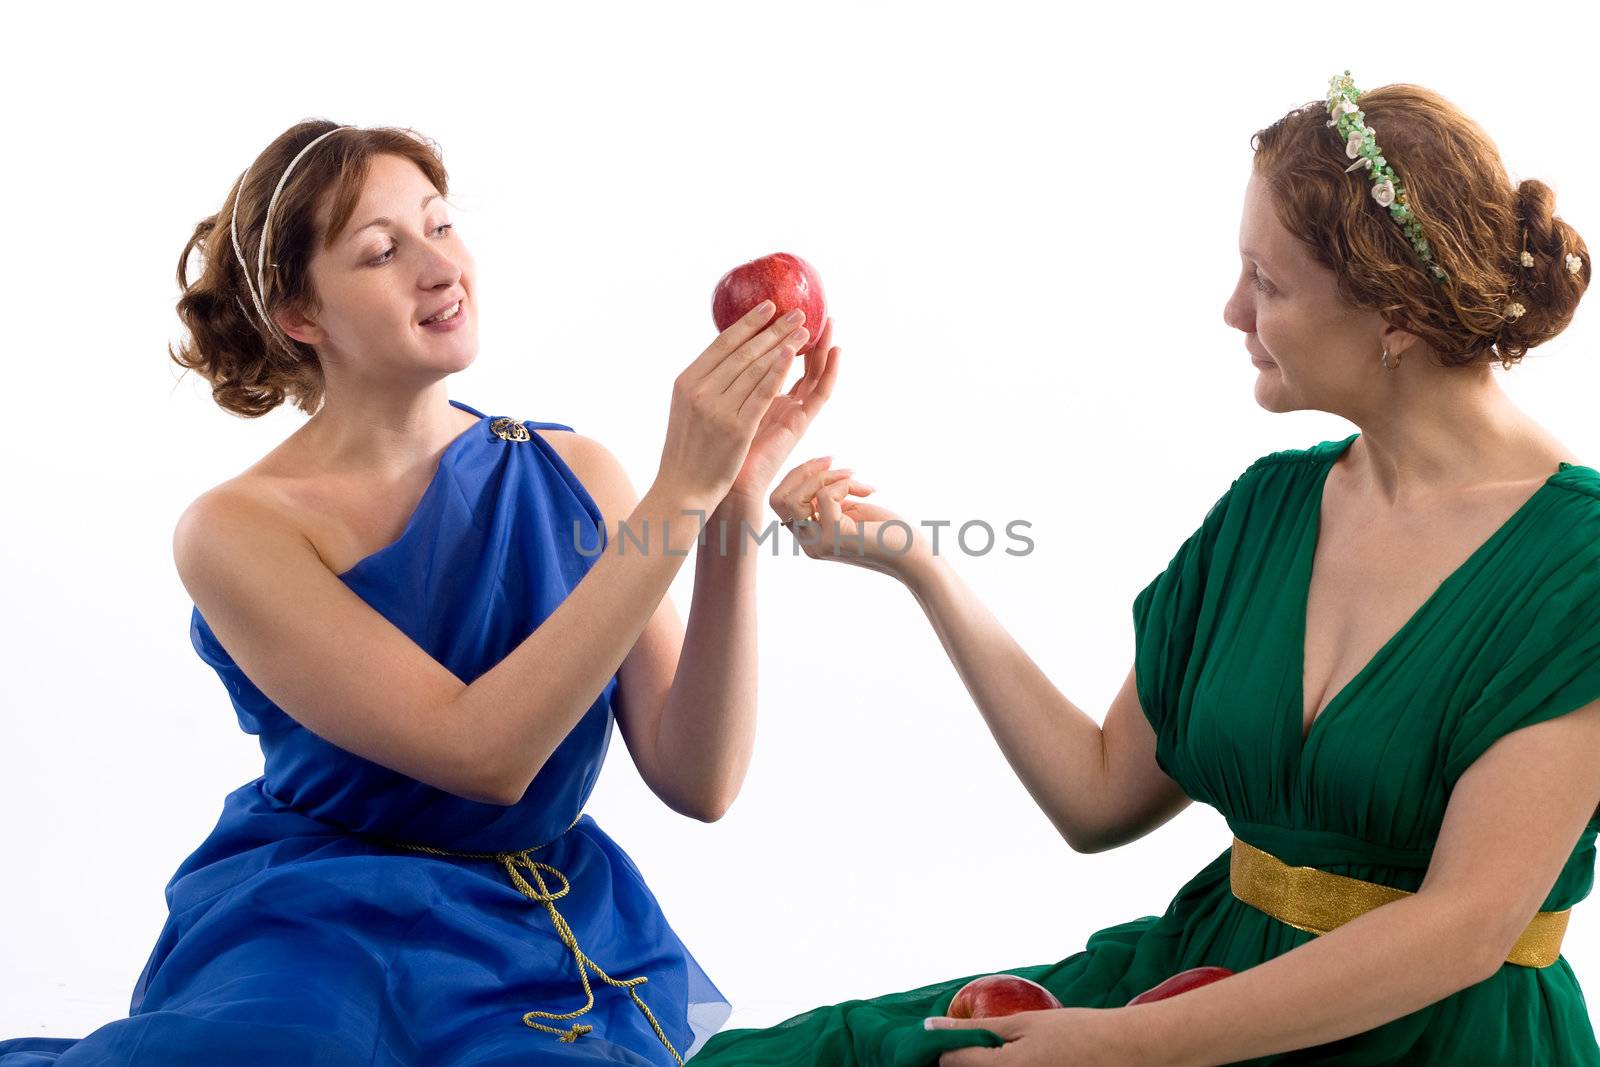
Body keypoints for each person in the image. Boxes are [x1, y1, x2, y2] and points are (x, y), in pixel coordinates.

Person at [689, 72, 1600, 1066]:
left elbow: (1462, 928)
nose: (1229, 309)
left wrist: (1124, 1043)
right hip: (1197, 978)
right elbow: (1097, 796)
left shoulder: (1579, 564)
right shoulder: (1268, 509)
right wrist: (920, 567)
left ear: (1395, 318)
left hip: (1432, 1039)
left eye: (1268, 281)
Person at [0, 119, 846, 1066]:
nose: (437, 266)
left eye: (440, 227)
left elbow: (701, 779)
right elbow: (481, 753)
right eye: (380, 251)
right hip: (326, 924)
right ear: (298, 316)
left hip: (544, 929)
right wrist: (678, 495)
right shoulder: (238, 529)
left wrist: (729, 502)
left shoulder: (580, 473)